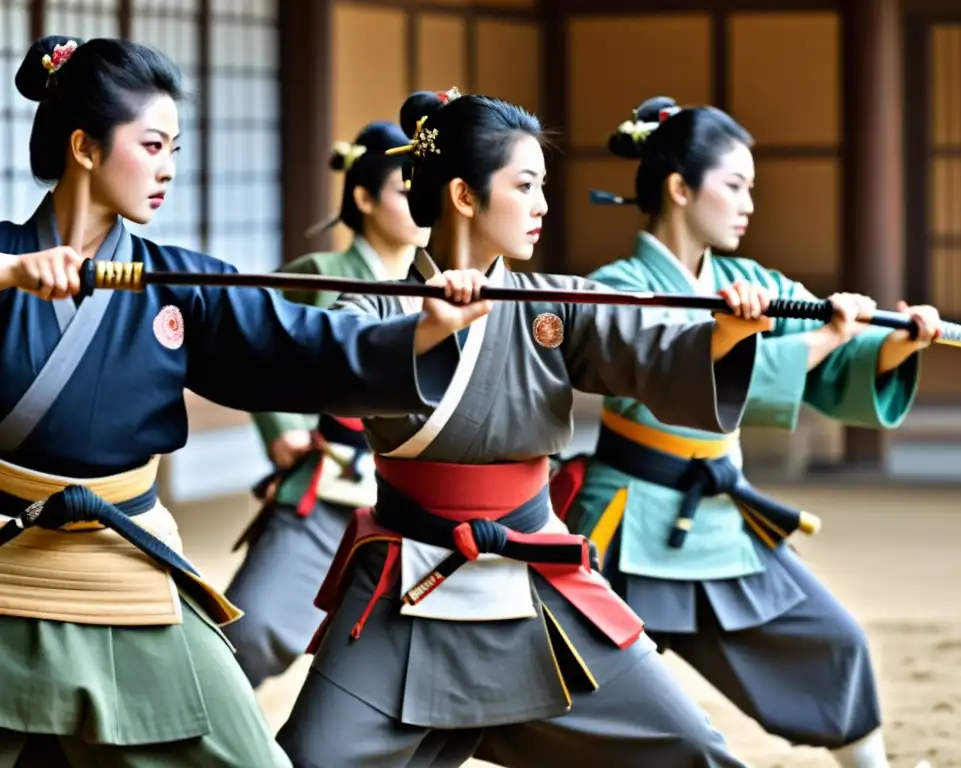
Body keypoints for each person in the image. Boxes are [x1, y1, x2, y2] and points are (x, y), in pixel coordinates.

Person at [0, 37, 487, 766]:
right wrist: (9, 273)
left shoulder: (181, 284)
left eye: (176, 147)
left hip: (126, 562)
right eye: (153, 144)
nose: (169, 168)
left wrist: (417, 333)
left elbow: (297, 340)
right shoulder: (9, 262)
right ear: (86, 148)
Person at [276, 86, 775, 768]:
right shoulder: (373, 304)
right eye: (526, 184)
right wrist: (425, 327)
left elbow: (651, 344)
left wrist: (722, 336)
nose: (543, 205)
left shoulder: (553, 306)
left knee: (691, 748)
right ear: (463, 195)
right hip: (404, 578)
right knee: (313, 757)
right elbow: (336, 359)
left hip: (535, 568)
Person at [561, 97, 941, 768]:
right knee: (569, 677)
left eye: (751, 189)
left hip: (719, 516)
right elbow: (676, 376)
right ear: (681, 189)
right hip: (625, 520)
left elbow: (832, 368)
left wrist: (893, 346)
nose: (748, 205)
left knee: (833, 640)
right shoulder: (619, 287)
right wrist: (824, 337)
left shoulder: (752, 281)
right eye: (734, 186)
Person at [225, 120, 431, 688]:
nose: (421, 202)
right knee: (253, 628)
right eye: (404, 189)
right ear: (363, 198)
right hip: (331, 483)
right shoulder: (321, 274)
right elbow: (254, 344)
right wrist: (282, 427)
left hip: (418, 497)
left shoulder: (437, 288)